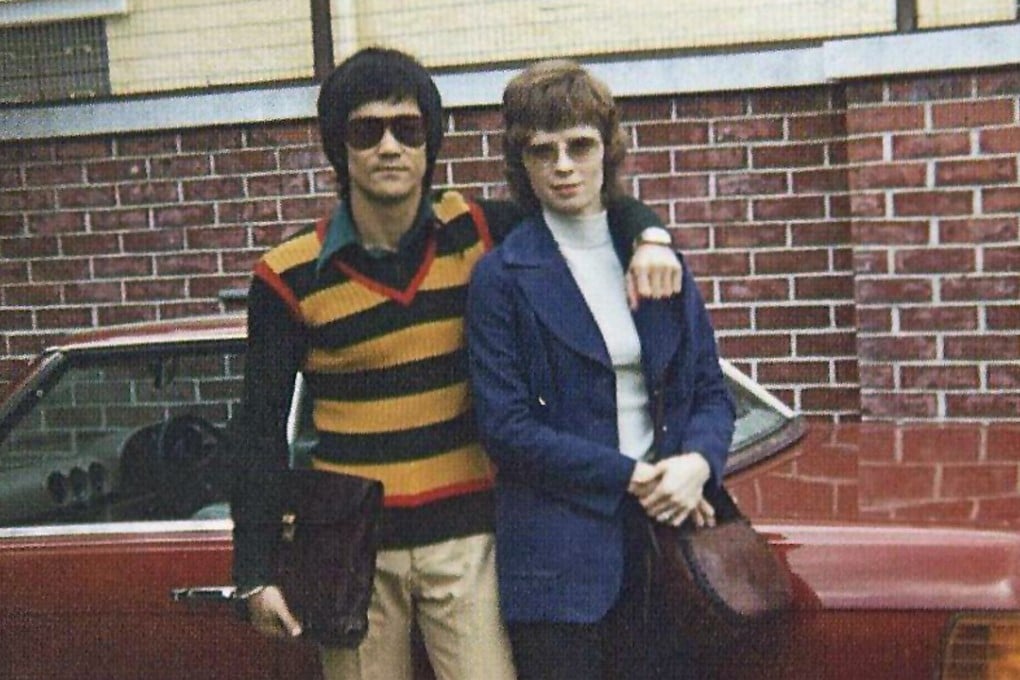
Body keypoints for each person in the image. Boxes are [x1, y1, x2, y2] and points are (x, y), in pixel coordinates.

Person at [229, 47, 684, 680]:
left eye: (407, 129)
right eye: (367, 130)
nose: (389, 146)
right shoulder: (285, 276)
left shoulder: (480, 231)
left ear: (429, 143)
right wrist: (254, 572)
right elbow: (257, 430)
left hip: (468, 544)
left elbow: (586, 204)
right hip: (353, 552)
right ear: (339, 147)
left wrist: (650, 236)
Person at [466, 59, 736, 680]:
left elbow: (709, 392)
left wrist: (697, 463)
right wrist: (637, 477)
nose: (563, 165)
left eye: (580, 145)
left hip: (667, 550)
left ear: (606, 151)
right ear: (522, 162)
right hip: (559, 570)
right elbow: (506, 429)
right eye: (543, 151)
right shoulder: (501, 277)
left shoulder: (656, 260)